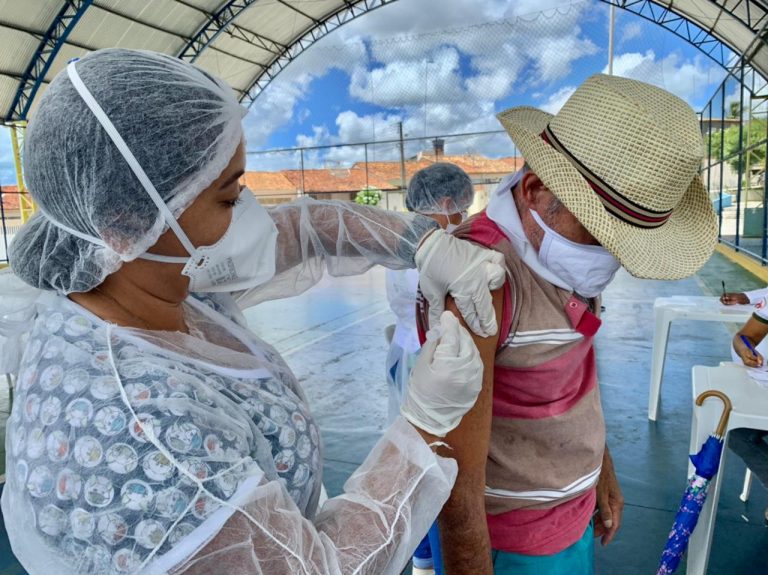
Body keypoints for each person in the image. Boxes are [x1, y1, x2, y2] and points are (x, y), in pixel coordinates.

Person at [0, 48, 508, 575]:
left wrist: (420, 242)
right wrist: (423, 427)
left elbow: (304, 230)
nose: (250, 216)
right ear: (127, 223)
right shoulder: (140, 439)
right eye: (228, 198)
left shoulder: (152, 281)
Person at [415, 74, 719, 574]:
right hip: (508, 541)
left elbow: (572, 371)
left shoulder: (563, 255)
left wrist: (599, 467)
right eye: (602, 233)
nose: (613, 258)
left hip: (568, 517)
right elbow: (454, 469)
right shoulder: (480, 280)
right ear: (536, 190)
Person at [384, 162, 474, 574]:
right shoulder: (435, 250)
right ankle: (433, 553)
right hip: (426, 361)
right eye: (462, 208)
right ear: (445, 202)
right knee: (435, 458)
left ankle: (422, 556)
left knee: (417, 453)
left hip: (405, 354)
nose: (464, 216)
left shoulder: (406, 239)